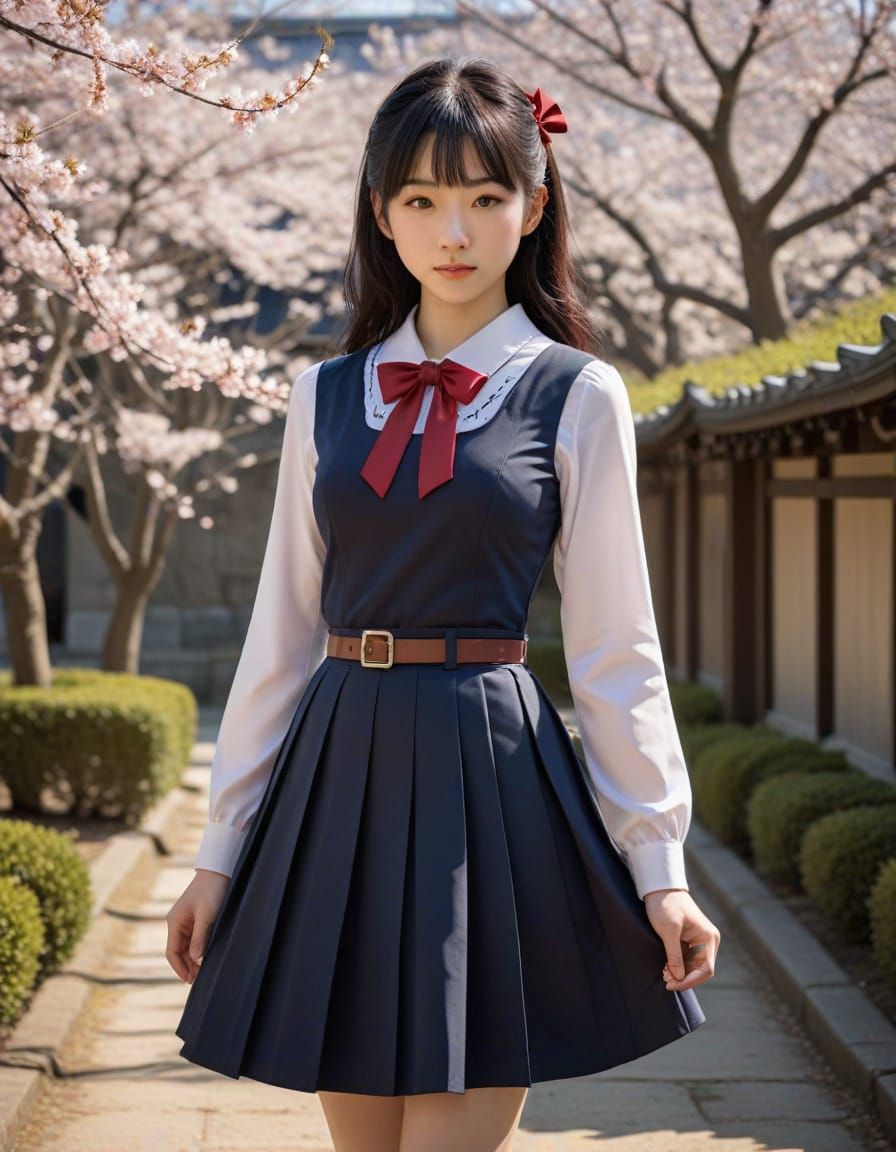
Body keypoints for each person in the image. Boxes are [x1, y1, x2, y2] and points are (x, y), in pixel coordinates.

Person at [166, 54, 721, 1152]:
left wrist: (658, 869)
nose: (452, 231)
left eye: (482, 197)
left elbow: (617, 648)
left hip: (491, 771)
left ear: (533, 203)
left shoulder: (574, 392)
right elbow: (281, 631)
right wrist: (220, 849)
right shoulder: (323, 393)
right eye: (419, 200)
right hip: (338, 771)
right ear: (380, 213)